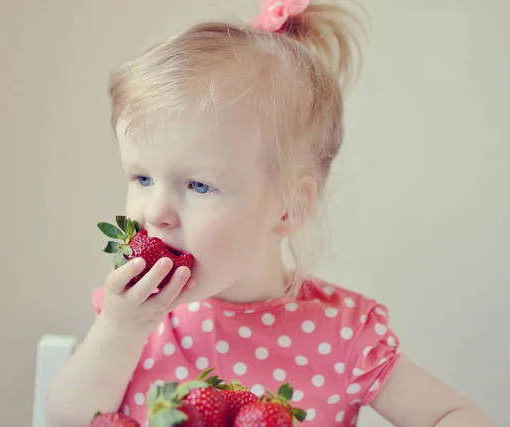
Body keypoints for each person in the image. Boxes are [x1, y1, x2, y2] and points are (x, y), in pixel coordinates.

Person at [46, 1, 494, 426]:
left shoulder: (341, 334)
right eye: (141, 179)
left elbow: (449, 415)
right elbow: (66, 420)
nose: (156, 212)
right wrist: (120, 330)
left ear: (288, 207)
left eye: (198, 185)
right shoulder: (132, 319)